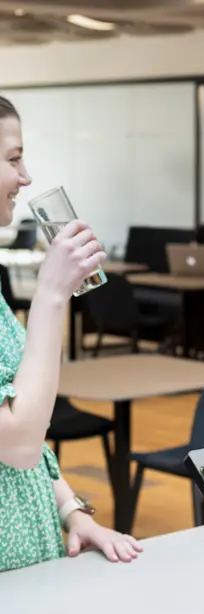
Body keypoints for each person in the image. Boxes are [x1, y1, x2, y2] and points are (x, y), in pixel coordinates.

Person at [0, 95, 143, 572]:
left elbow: (27, 423)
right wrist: (51, 295)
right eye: (14, 159)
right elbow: (18, 442)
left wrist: (71, 511)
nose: (26, 177)